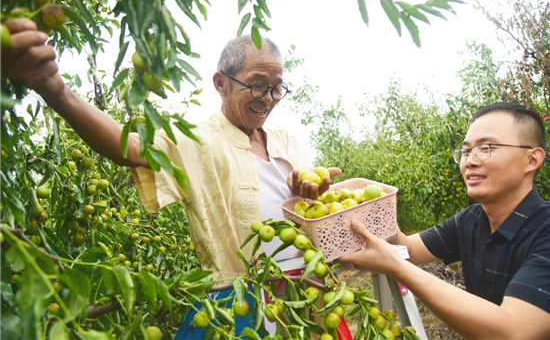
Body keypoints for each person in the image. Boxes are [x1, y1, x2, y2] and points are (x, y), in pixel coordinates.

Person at [2, 18, 341, 337]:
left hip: (310, 294)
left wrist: (311, 197)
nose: (267, 98)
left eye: (276, 87)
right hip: (240, 301)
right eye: (257, 85)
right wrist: (54, 88)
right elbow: (131, 149)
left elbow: (311, 217)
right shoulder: (198, 139)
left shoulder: (286, 138)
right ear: (220, 83)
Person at [340, 102, 550, 339]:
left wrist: (395, 266)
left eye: (487, 147)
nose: (469, 161)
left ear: (532, 159)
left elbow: (514, 331)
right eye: (466, 151)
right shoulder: (471, 220)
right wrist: (377, 212)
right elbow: (407, 249)